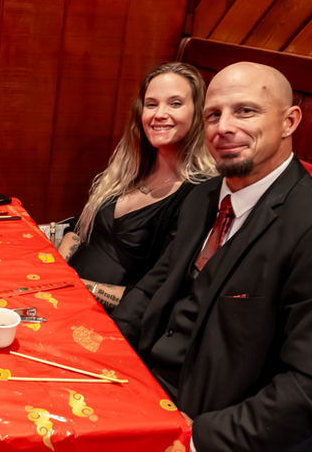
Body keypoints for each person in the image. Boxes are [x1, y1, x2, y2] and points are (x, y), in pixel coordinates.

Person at [111, 62, 312, 452]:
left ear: (289, 121)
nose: (224, 127)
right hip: (150, 399)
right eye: (214, 115)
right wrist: (105, 355)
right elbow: (154, 287)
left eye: (246, 111)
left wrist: (196, 440)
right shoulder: (204, 195)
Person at [59, 62, 216, 312]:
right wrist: (54, 269)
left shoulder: (199, 194)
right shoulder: (130, 168)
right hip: (63, 295)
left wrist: (75, 287)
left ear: (198, 113)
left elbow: (160, 292)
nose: (159, 114)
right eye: (151, 104)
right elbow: (79, 227)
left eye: (175, 103)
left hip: (115, 319)